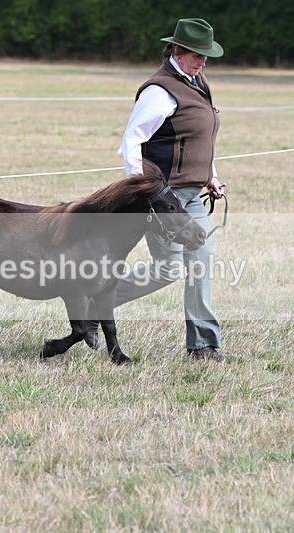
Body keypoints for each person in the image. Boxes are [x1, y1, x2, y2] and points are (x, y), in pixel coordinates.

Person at [87, 17, 230, 361]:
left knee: (202, 263)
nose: (203, 61)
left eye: (206, 56)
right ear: (178, 51)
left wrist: (210, 174)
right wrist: (144, 192)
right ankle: (93, 305)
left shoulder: (196, 80)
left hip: (193, 195)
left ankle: (204, 345)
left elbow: (198, 139)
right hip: (166, 198)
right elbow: (131, 141)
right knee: (167, 269)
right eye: (197, 55)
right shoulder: (159, 90)